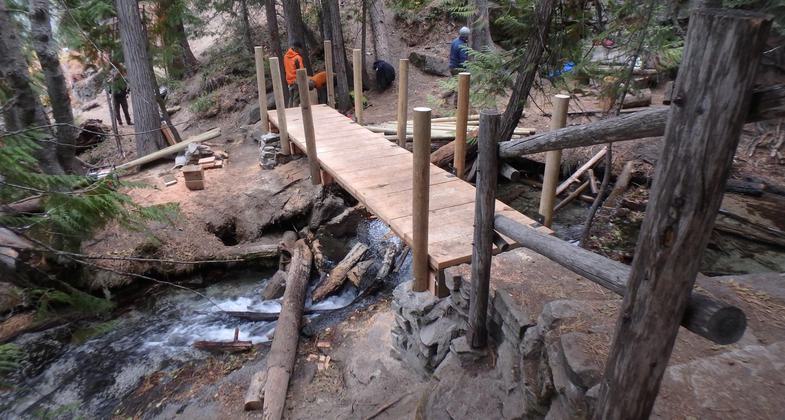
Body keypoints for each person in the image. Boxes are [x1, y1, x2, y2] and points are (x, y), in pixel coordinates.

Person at [284, 42, 307, 107]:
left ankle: (289, 114)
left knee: (291, 98)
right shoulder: (298, 58)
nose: (301, 51)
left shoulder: (286, 57)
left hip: (289, 81)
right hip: (296, 81)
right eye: (300, 49)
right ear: (297, 48)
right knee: (296, 100)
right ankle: (295, 114)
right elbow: (301, 71)